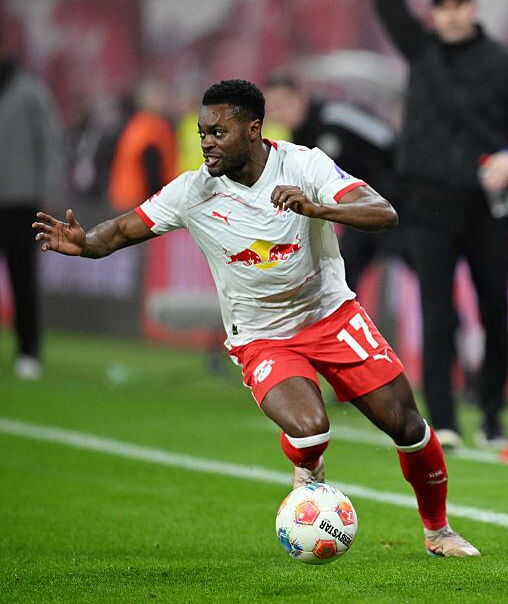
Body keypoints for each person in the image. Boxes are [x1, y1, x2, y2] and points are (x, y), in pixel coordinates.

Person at [33, 79, 479, 557]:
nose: (206, 143)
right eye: (203, 133)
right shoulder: (194, 191)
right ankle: (308, 463)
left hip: (331, 315)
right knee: (311, 429)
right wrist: (85, 243)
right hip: (262, 336)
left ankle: (438, 531)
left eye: (217, 133)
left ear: (253, 130)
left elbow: (383, 212)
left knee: (408, 426)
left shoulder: (304, 164)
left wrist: (318, 207)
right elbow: (121, 231)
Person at [352, 0, 508, 448]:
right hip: (428, 203)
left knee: (494, 312)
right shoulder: (421, 51)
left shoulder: (506, 64)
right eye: (442, 5)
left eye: (459, 3)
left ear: (472, 7)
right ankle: (444, 420)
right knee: (436, 313)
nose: (451, 12)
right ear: (435, 12)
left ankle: (491, 416)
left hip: (488, 205)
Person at [264, 73, 402, 291]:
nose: (279, 113)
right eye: (273, 108)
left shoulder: (336, 116)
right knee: (342, 276)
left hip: (399, 202)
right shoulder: (295, 142)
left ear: (301, 97)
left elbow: (388, 139)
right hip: (360, 211)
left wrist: (397, 189)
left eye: (283, 103)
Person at [0, 35, 65, 380]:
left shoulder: (31, 93)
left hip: (21, 202)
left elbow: (51, 143)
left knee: (22, 279)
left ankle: (28, 351)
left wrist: (48, 193)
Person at [107, 78, 177, 211]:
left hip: (126, 197)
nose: (165, 100)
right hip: (141, 200)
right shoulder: (152, 127)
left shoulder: (136, 124)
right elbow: (151, 167)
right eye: (160, 96)